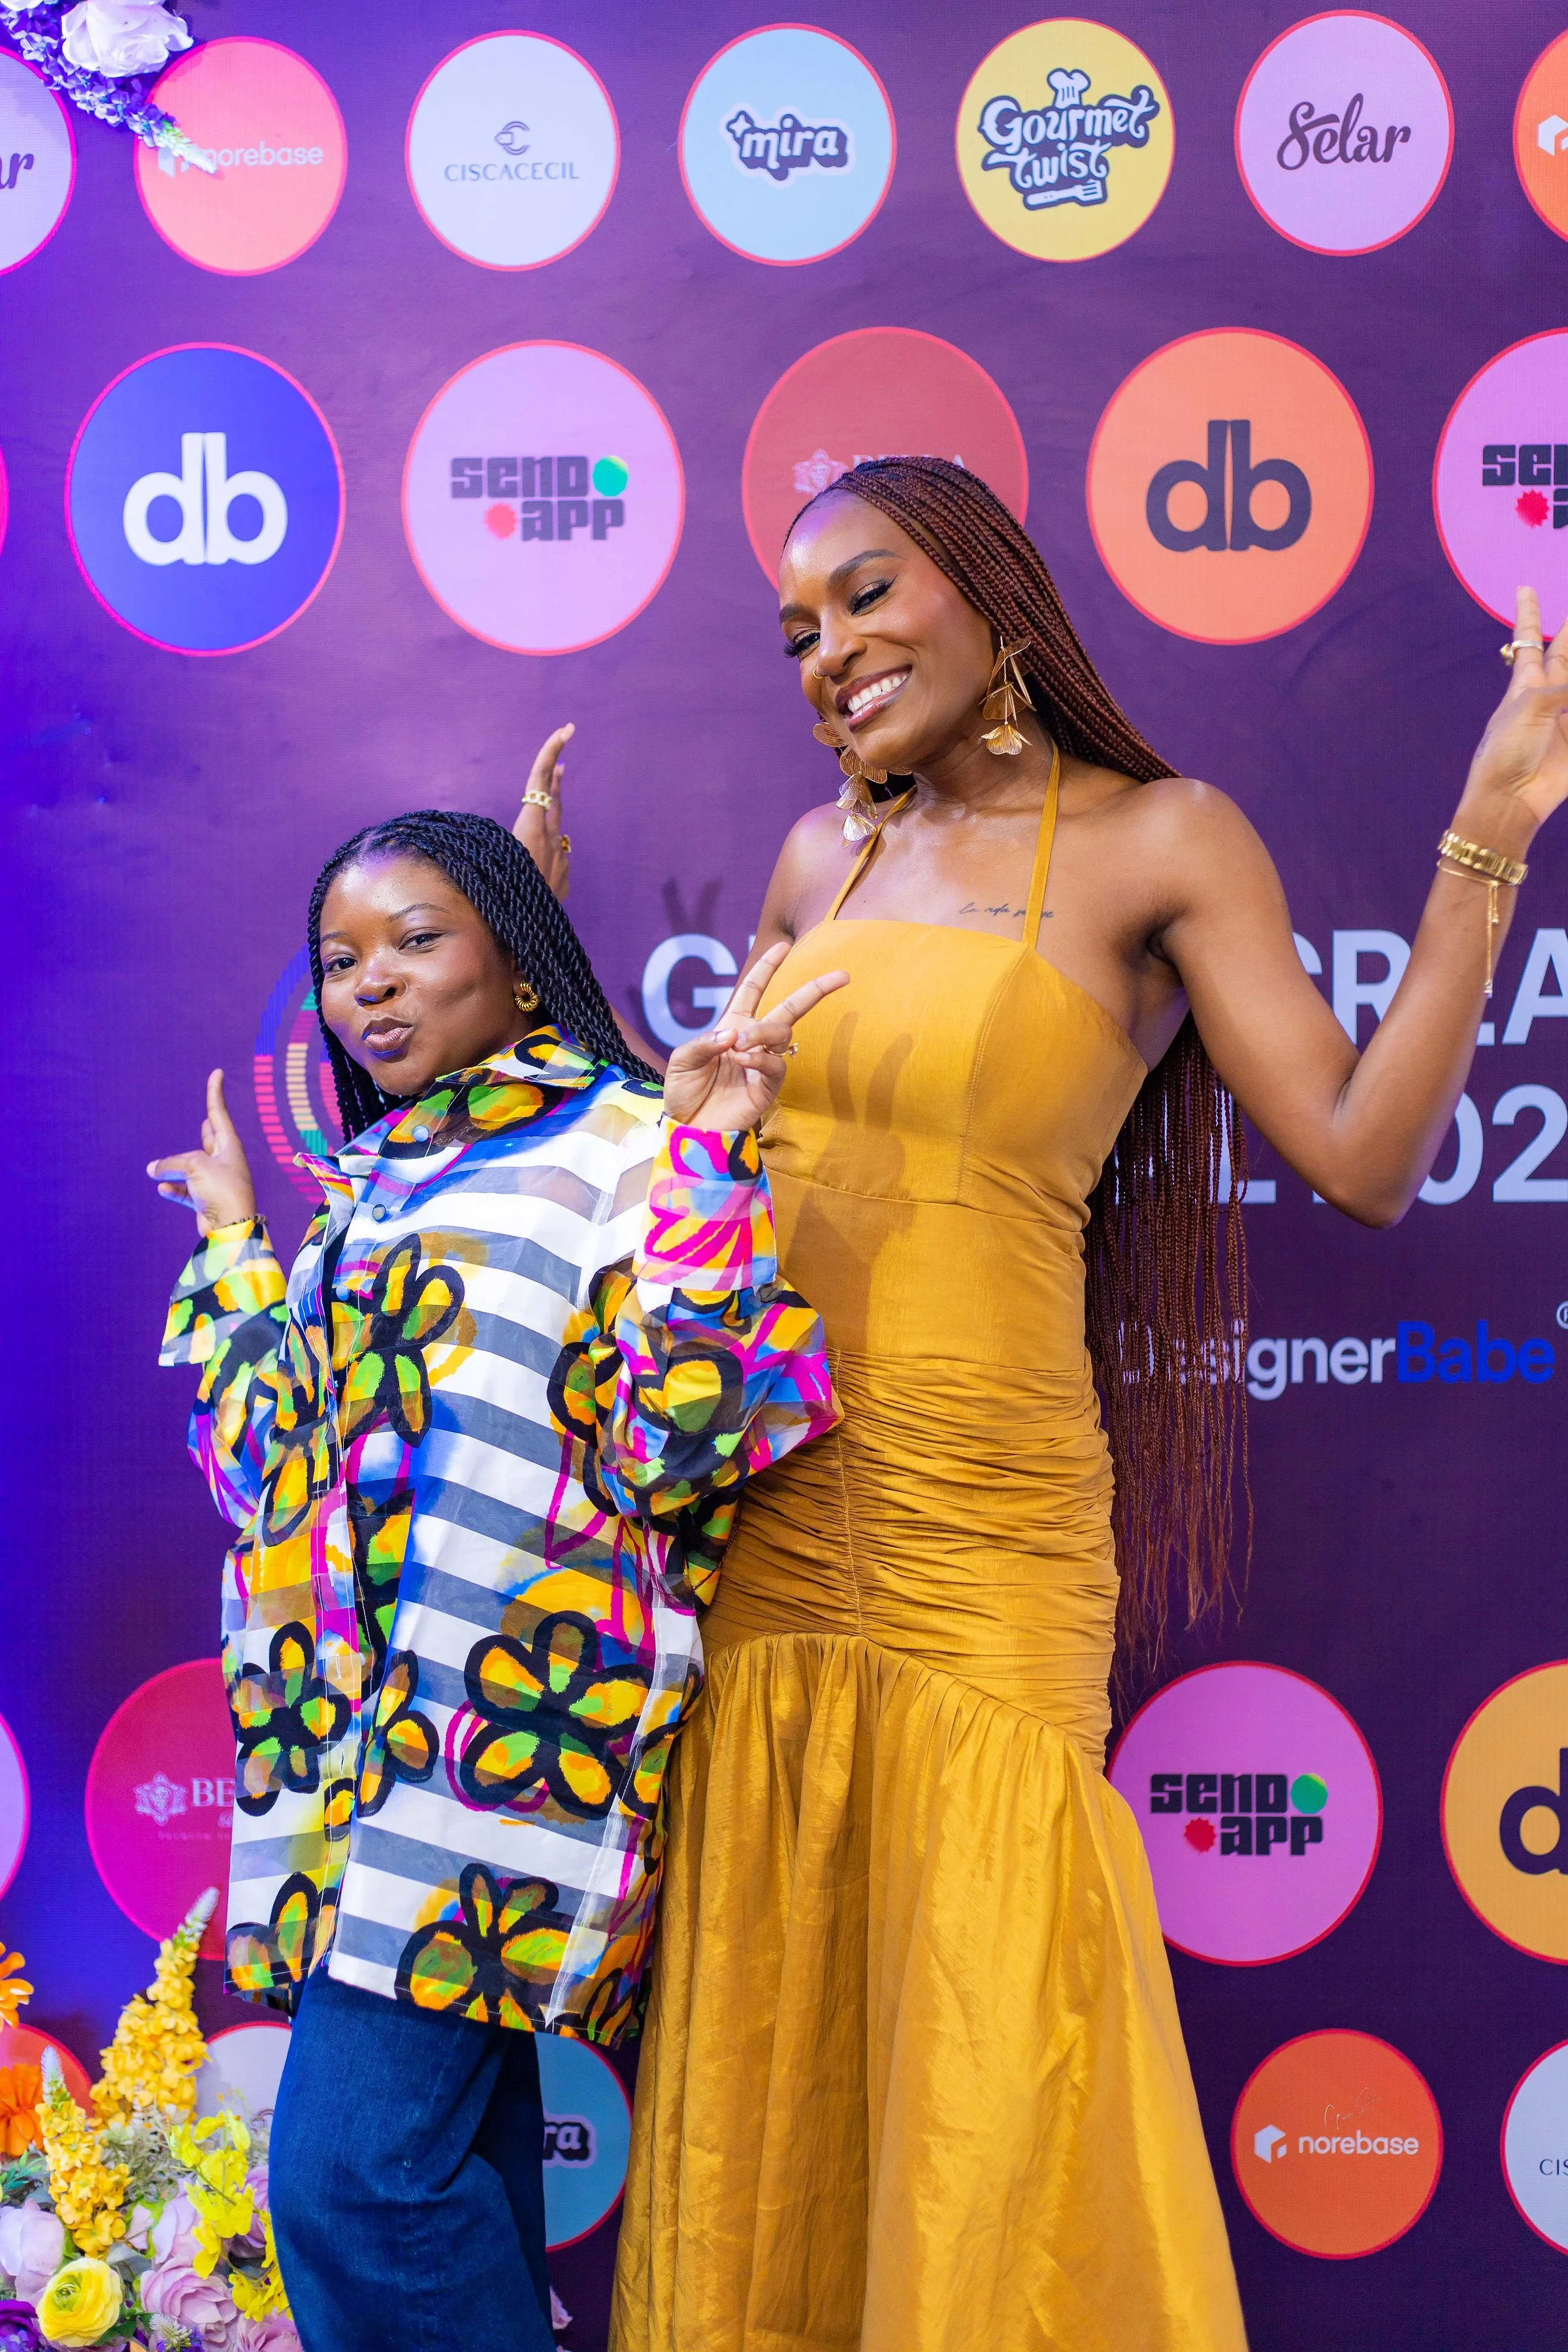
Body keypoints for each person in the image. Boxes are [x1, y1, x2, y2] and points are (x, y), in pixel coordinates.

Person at [608, 456, 1568, 2352]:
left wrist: (1489, 836)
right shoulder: (826, 860)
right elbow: (721, 1203)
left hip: (987, 1534)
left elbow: (1368, 1155)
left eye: (870, 597)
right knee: (787, 2039)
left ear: (986, 589)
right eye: (801, 632)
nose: (833, 653)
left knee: (986, 2048)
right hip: (777, 1526)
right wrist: (680, 1121)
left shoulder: (1161, 838)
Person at [148, 809, 844, 2352]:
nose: (369, 989)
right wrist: (236, 1245)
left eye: (416, 943)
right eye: (341, 961)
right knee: (456, 2176)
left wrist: (716, 1153)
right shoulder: (378, 1184)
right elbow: (275, 1473)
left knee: (352, 2183)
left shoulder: (623, 1144)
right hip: (356, 1758)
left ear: (522, 971)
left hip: (506, 1745)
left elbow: (687, 1435)